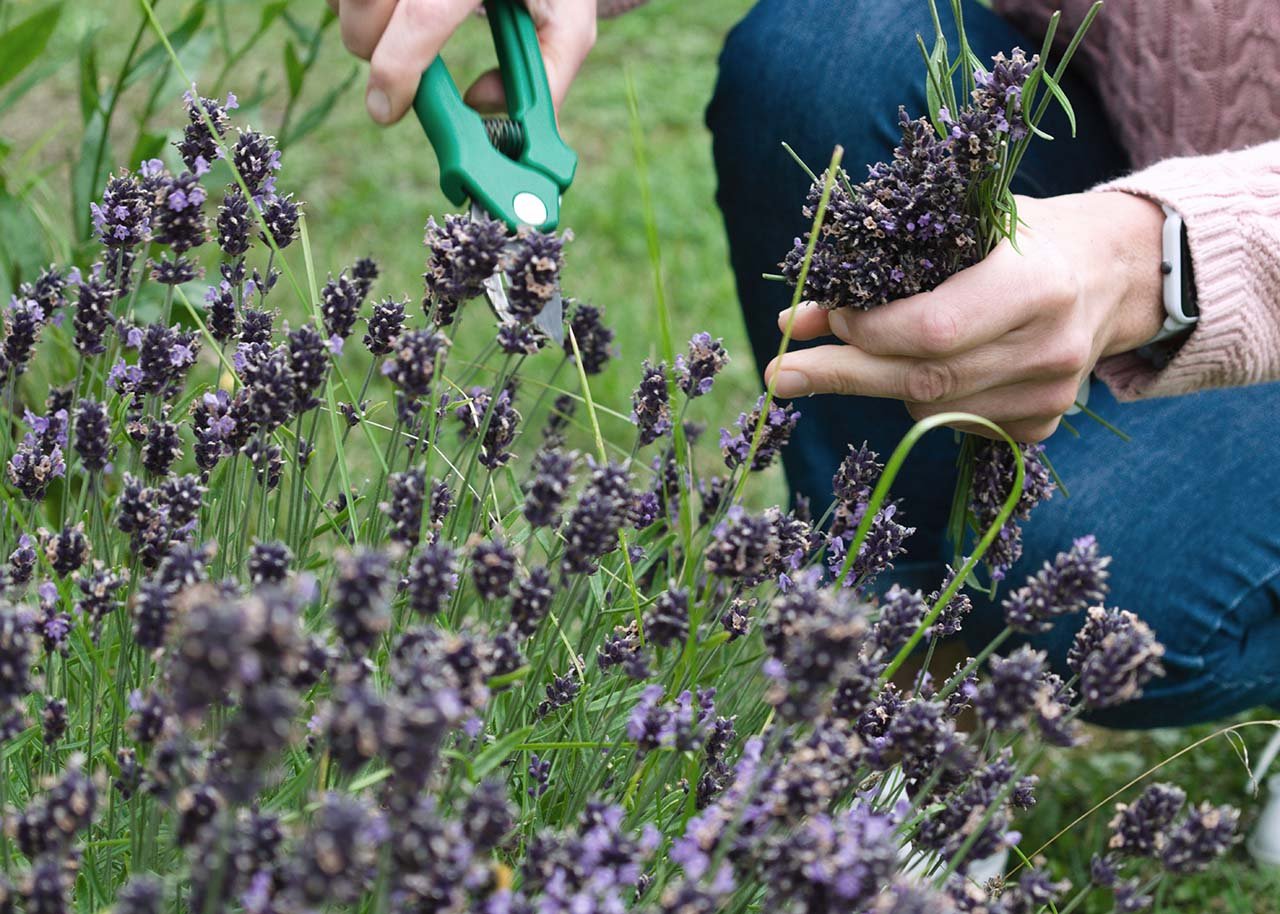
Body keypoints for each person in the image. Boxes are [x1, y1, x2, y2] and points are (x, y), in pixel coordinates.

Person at [329, 0, 1280, 729]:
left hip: (1221, 243)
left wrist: (1158, 258)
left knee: (1090, 575)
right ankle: (888, 688)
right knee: (831, 51)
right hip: (1123, 161)